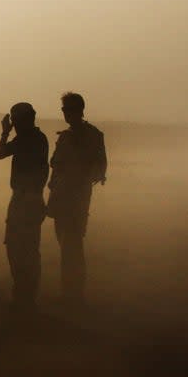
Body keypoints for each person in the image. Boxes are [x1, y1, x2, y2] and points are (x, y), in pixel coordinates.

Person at [46, 92, 107, 307]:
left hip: (75, 198)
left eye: (67, 109)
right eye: (63, 110)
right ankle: (71, 292)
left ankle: (73, 294)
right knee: (67, 244)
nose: (65, 114)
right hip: (64, 197)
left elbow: (99, 169)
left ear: (77, 110)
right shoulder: (70, 136)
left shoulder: (89, 136)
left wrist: (77, 178)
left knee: (71, 245)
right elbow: (56, 166)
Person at [0, 102, 49, 315]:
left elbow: (0, 153)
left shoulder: (30, 139)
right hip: (26, 199)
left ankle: (25, 299)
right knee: (22, 249)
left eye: (16, 122)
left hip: (27, 200)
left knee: (23, 250)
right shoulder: (33, 138)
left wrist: (4, 133)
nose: (15, 126)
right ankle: (24, 298)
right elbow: (1, 154)